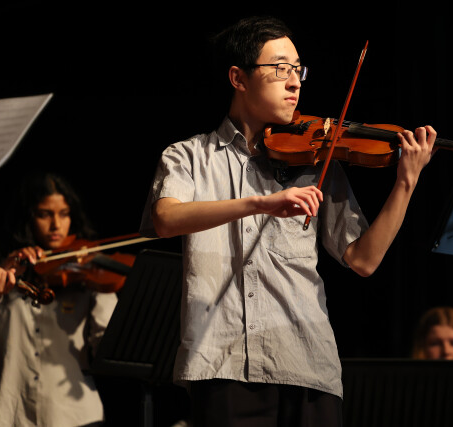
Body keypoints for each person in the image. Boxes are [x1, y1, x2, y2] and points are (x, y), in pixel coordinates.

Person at [139, 15, 436, 427]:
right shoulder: (187, 156)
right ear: (238, 78)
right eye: (281, 69)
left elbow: (364, 260)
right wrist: (259, 203)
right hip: (221, 363)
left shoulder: (317, 161)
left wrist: (406, 182)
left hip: (306, 362)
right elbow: (166, 219)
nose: (295, 82)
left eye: (298, 70)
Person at [0, 172, 118, 426]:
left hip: (76, 415)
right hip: (12, 414)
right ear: (28, 217)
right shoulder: (4, 273)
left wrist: (102, 283)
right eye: (44, 214)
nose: (56, 225)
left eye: (64, 214)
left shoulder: (86, 276)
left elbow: (108, 348)